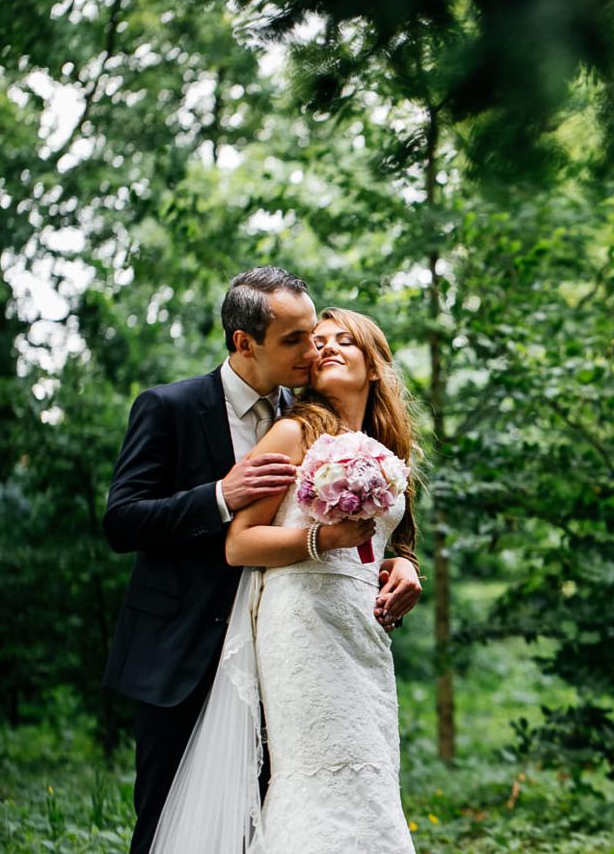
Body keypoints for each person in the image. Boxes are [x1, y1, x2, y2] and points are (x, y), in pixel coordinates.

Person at [101, 267, 377, 854]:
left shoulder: (314, 413)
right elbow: (122, 521)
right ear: (244, 342)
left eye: (313, 334)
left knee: (272, 824)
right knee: (168, 824)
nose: (313, 351)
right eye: (294, 340)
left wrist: (402, 559)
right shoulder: (170, 407)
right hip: (183, 650)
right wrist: (218, 496)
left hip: (284, 653)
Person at [150, 307, 423, 853]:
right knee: (317, 773)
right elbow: (239, 543)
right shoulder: (293, 432)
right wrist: (325, 539)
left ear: (374, 365)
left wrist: (405, 562)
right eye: (319, 341)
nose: (327, 347)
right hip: (301, 626)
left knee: (368, 773)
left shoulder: (389, 451)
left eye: (344, 340)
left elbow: (387, 542)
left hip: (364, 634)